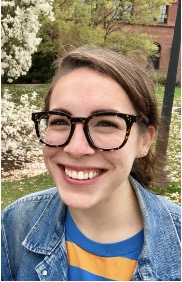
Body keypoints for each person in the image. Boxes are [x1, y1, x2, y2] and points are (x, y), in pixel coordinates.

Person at [1, 45, 181, 281]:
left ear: (144, 141)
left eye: (106, 123)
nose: (75, 148)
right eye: (59, 121)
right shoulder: (14, 225)